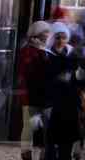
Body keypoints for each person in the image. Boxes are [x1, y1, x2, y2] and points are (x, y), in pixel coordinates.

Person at [17, 20, 53, 160]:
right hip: (30, 94)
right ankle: (26, 153)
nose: (47, 35)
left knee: (45, 127)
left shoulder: (46, 50)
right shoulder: (28, 51)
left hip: (45, 95)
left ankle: (44, 154)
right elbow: (27, 71)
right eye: (45, 32)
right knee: (29, 126)